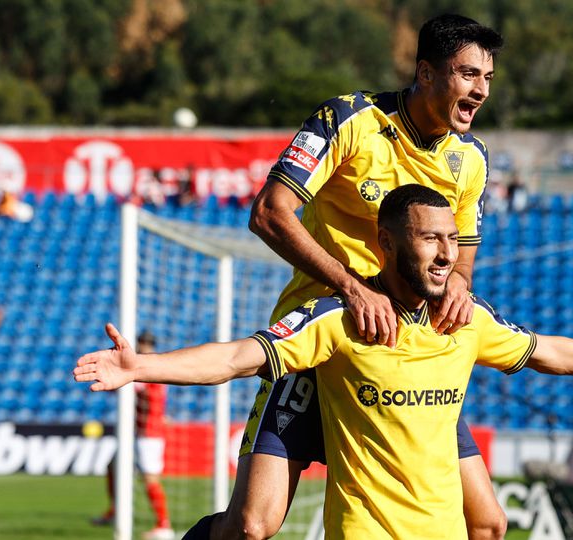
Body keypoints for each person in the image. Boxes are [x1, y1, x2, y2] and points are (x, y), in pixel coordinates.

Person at [74, 185, 573, 539]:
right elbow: (239, 358)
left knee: (490, 522)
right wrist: (142, 367)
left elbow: (549, 352)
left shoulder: (467, 320)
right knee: (251, 524)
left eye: (452, 239)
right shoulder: (337, 320)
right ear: (387, 246)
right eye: (430, 239)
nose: (448, 253)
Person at [224, 14, 504, 540]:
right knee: (251, 527)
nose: (481, 89)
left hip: (403, 360)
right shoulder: (350, 120)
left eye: (487, 77)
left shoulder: (472, 159)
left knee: (487, 523)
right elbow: (269, 212)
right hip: (320, 344)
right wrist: (352, 288)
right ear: (425, 72)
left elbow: (462, 259)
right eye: (468, 74)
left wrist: (460, 289)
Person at [92, 331, 173, 540]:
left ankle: (164, 524)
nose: (142, 346)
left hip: (149, 433)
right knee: (113, 466)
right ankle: (116, 510)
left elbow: (131, 386)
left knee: (150, 478)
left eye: (145, 343)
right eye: (141, 342)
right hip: (140, 431)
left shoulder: (147, 366)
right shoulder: (150, 365)